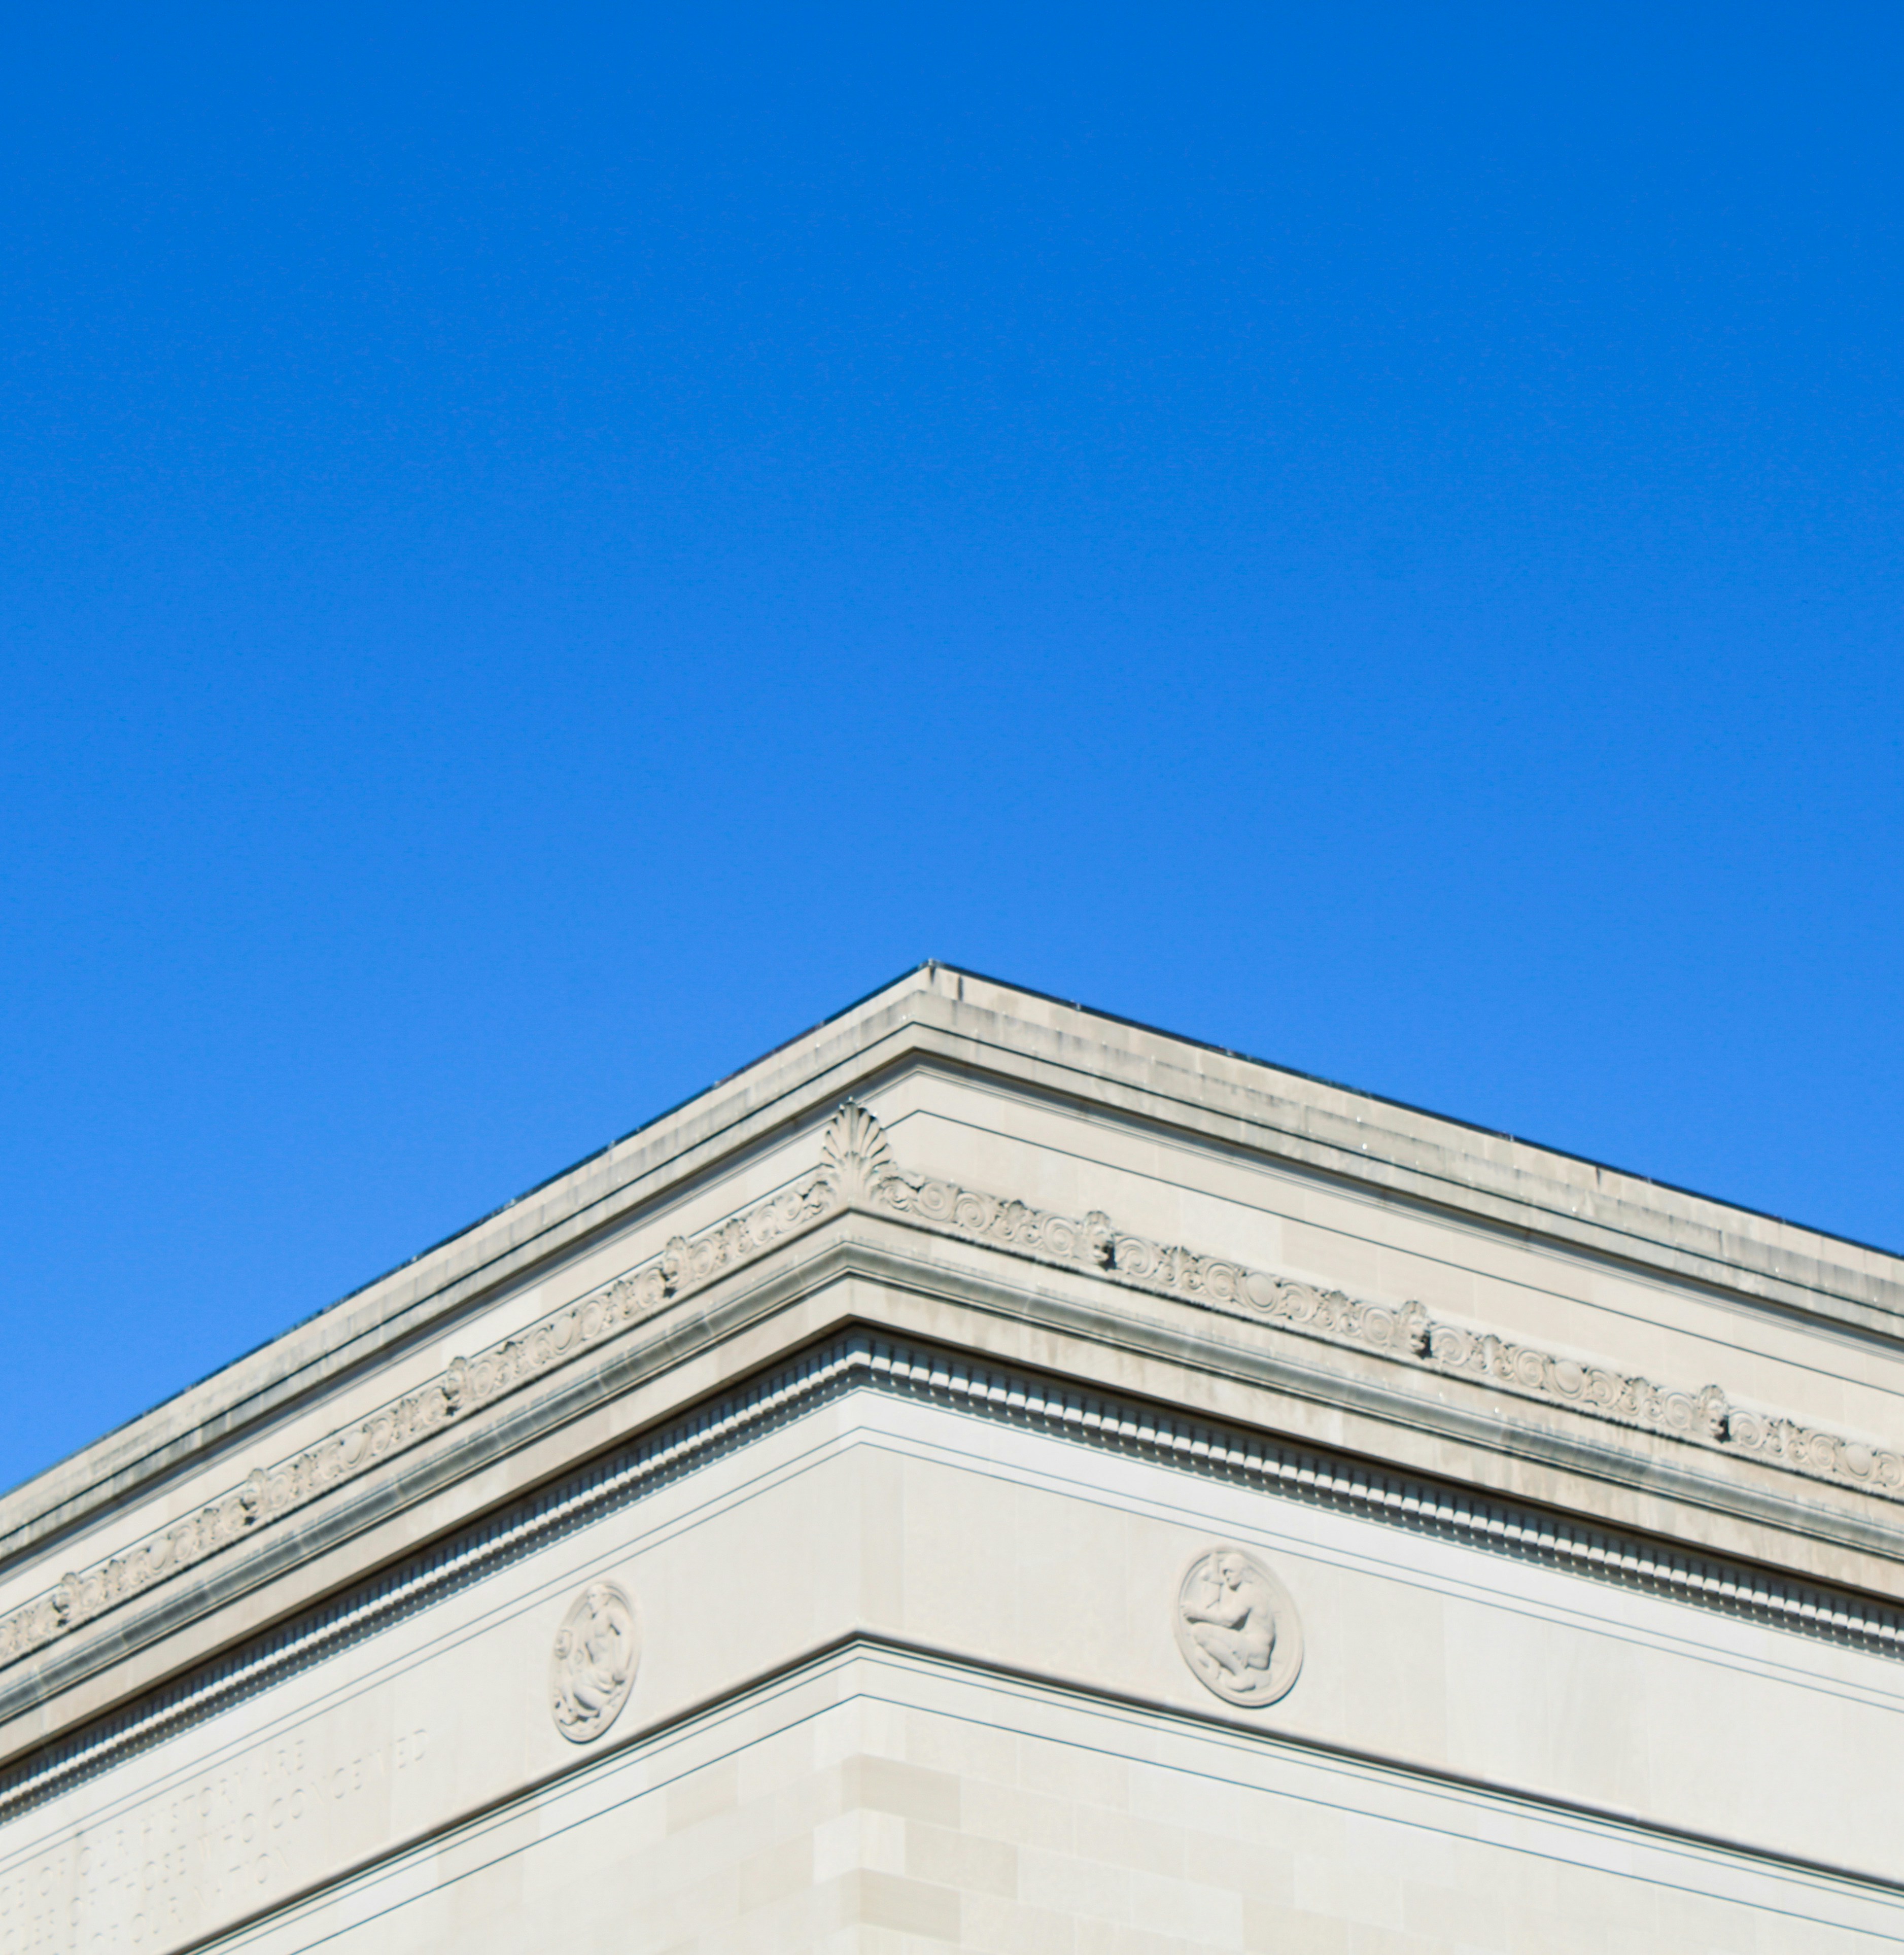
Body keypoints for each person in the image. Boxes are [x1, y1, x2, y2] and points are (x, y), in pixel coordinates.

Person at [1182, 1553, 1275, 1680]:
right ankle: (1219, 1665)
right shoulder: (1250, 1591)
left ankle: (1242, 1675)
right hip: (1256, 1650)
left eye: (1230, 1571)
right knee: (1200, 1651)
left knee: (1200, 1632)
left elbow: (1228, 1620)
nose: (1226, 1576)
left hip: (1254, 1649)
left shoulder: (1248, 1591)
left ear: (1242, 1572)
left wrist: (1198, 1613)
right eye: (1225, 1573)